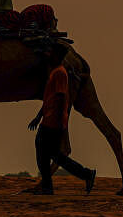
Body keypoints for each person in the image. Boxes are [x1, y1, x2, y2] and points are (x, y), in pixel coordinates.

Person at [25, 44, 95, 195]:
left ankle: (48, 186)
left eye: (51, 52)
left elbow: (61, 97)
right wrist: (39, 116)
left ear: (57, 56)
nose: (48, 54)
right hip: (51, 119)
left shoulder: (60, 74)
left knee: (44, 150)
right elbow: (50, 98)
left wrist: (56, 120)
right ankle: (85, 175)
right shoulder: (56, 72)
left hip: (53, 121)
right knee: (54, 155)